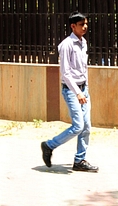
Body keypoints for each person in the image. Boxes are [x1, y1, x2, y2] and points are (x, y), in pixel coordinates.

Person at [41, 11, 98, 172]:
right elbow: (65, 72)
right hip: (72, 91)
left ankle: (80, 160)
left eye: (86, 24)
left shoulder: (83, 42)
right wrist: (77, 92)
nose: (85, 27)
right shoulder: (66, 45)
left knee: (86, 126)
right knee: (78, 126)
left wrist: (84, 89)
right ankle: (49, 145)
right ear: (73, 26)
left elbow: (83, 67)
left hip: (83, 89)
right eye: (81, 25)